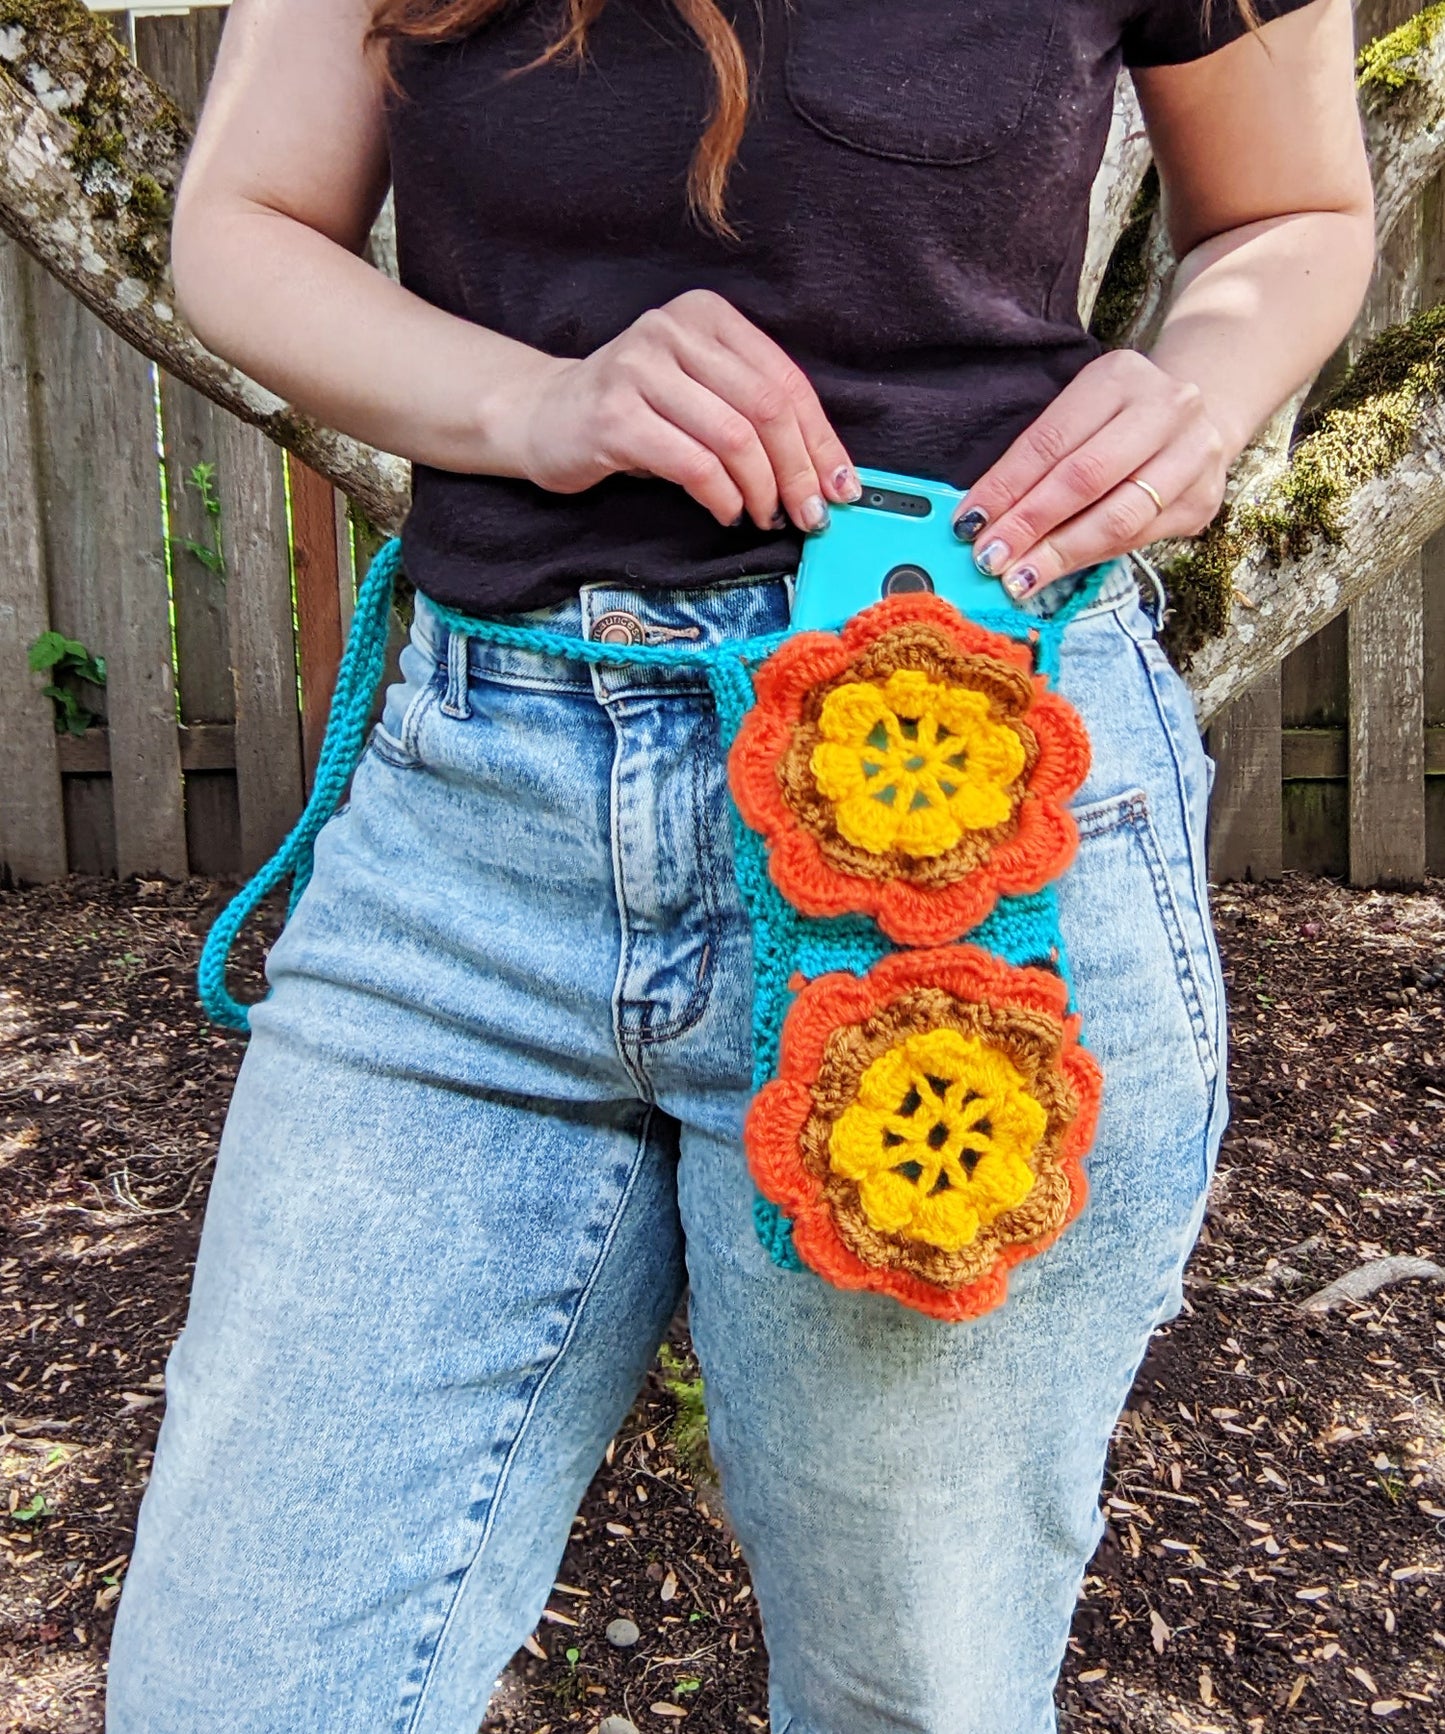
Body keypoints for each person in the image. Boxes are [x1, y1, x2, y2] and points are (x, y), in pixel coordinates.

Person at [106, 2, 1373, 1729]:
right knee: (238, 1682)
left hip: (963, 829)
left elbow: (1291, 210)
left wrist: (1198, 394)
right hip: (472, 838)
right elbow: (240, 222)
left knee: (908, 1694)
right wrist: (536, 399)